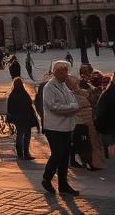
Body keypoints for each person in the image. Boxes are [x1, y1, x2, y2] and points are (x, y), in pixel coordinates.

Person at [40, 60, 80, 196]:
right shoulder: (49, 87)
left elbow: (74, 100)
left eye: (67, 71)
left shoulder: (64, 86)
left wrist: (72, 107)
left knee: (65, 156)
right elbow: (53, 106)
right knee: (58, 153)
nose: (66, 74)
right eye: (64, 71)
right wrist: (72, 108)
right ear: (56, 72)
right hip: (54, 127)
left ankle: (63, 184)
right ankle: (46, 178)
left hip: (66, 126)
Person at [8, 77, 39, 160]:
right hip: (26, 118)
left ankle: (19, 154)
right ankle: (26, 153)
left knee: (19, 135)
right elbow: (29, 103)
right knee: (27, 135)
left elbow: (9, 108)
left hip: (18, 119)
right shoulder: (24, 93)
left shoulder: (12, 95)